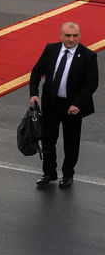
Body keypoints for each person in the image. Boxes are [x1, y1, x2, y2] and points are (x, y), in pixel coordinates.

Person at [29, 22, 98, 188]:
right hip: (51, 104)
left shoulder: (88, 56)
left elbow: (91, 84)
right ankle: (49, 173)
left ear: (79, 36)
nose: (71, 39)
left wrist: (77, 104)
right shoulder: (51, 49)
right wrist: (34, 94)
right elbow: (36, 71)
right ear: (61, 36)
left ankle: (68, 174)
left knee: (71, 142)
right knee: (47, 140)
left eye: (75, 36)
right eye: (68, 35)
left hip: (72, 108)